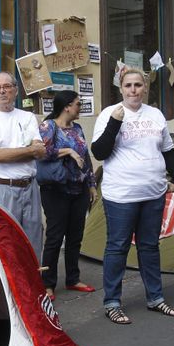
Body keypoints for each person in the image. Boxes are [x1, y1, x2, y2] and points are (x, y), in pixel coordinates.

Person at [92, 68, 174, 324]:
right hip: (121, 195)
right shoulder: (109, 114)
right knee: (117, 247)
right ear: (120, 89)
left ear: (145, 88)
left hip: (153, 193)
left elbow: (167, 150)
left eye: (138, 85)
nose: (133, 90)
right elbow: (99, 152)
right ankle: (112, 302)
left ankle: (155, 298)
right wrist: (115, 123)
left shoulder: (155, 114)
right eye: (128, 85)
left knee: (149, 247)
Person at [37, 90, 98, 301]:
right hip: (56, 190)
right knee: (54, 237)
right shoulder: (48, 126)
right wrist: (68, 152)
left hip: (78, 190)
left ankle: (73, 279)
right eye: (78, 104)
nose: (80, 108)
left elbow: (86, 158)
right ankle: (47, 284)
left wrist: (91, 185)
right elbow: (42, 152)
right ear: (67, 107)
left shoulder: (78, 128)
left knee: (75, 236)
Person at [0, 72, 46, 255]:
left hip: (30, 188)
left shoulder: (27, 117)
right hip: (2, 189)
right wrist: (28, 151)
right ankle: (8, 285)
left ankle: (31, 284)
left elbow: (40, 151)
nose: (2, 91)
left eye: (7, 86)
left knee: (33, 244)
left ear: (15, 90)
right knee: (4, 243)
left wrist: (3, 154)